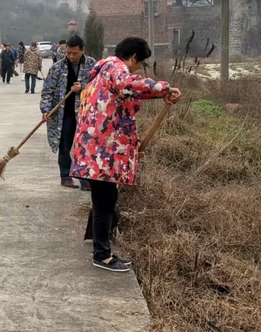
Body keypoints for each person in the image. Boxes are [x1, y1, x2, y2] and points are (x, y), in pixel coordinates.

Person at [70, 37, 181, 272]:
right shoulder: (116, 68)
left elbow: (131, 89)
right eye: (139, 64)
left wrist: (159, 94)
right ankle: (102, 255)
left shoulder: (103, 71)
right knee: (104, 203)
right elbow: (129, 85)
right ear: (133, 58)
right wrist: (164, 88)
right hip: (101, 153)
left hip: (97, 151)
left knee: (105, 200)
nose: (138, 68)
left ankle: (103, 249)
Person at [39, 34, 95, 190]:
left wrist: (83, 87)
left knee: (84, 146)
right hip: (64, 114)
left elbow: (99, 89)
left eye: (74, 53)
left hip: (86, 114)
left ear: (82, 51)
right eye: (68, 53)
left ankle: (85, 179)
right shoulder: (57, 67)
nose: (70, 56)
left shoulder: (92, 66)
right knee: (64, 145)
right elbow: (47, 92)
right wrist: (46, 110)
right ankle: (65, 175)